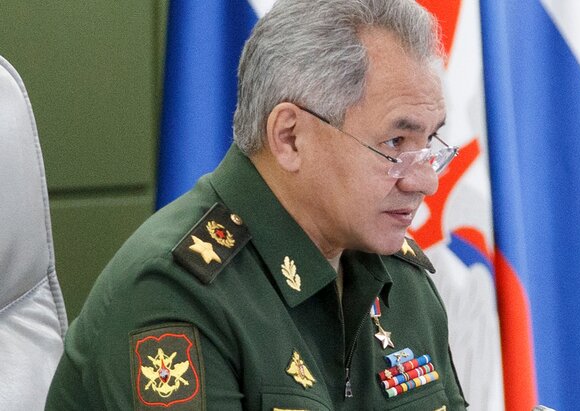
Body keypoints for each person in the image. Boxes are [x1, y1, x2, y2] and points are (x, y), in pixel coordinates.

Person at [45, 0, 467, 409]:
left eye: (429, 142)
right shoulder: (176, 290)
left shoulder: (399, 275)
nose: (426, 181)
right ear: (290, 137)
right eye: (395, 143)